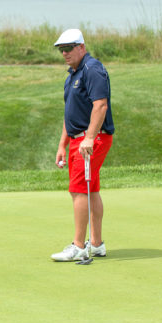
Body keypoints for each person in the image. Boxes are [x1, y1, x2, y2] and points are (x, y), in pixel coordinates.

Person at [51, 29, 115, 261]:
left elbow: (100, 106)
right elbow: (71, 114)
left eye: (69, 48)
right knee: (92, 190)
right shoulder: (73, 75)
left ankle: (78, 246)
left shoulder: (92, 69)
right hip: (79, 139)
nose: (65, 53)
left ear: (81, 46)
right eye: (61, 50)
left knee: (78, 190)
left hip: (92, 139)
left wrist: (89, 137)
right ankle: (96, 244)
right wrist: (62, 145)